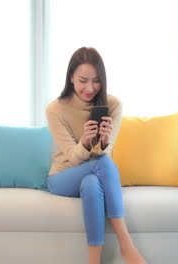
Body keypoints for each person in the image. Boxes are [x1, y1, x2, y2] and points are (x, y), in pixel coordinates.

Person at [45, 47, 147, 264]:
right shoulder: (55, 109)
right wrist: (84, 141)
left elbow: (105, 155)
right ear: (71, 77)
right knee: (101, 165)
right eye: (82, 80)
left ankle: (94, 261)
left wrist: (104, 140)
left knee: (92, 183)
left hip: (95, 172)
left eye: (96, 81)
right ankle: (126, 244)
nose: (89, 88)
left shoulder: (113, 105)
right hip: (62, 177)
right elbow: (73, 158)